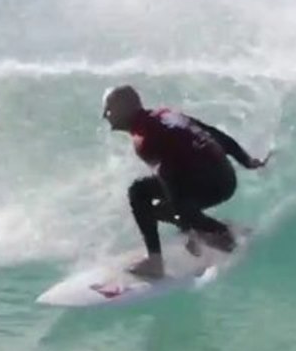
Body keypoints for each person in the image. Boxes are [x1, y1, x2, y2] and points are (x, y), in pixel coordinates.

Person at [101, 85, 270, 279]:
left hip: (209, 183)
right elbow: (213, 133)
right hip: (223, 176)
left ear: (124, 108)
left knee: (140, 193)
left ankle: (162, 259)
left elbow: (171, 184)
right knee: (157, 206)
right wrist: (246, 161)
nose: (105, 115)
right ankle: (213, 230)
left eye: (109, 109)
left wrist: (188, 228)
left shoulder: (145, 139)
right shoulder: (164, 114)